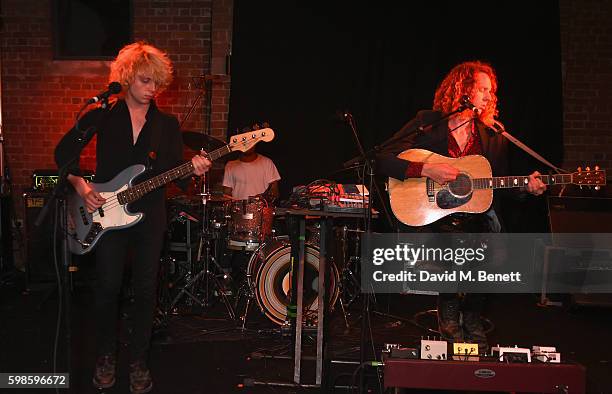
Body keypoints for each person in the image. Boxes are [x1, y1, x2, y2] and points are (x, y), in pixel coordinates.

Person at [55, 42, 211, 393]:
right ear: (126, 78)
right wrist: (81, 187)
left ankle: (139, 361)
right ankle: (105, 356)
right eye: (144, 81)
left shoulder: (166, 124)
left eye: (156, 82)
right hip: (105, 213)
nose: (152, 89)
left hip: (150, 215)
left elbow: (176, 171)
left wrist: (196, 168)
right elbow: (63, 154)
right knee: (107, 288)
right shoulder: (104, 115)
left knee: (145, 290)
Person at [377, 61, 546, 353]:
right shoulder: (427, 122)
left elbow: (496, 186)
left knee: (485, 235)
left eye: (490, 92)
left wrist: (527, 189)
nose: (487, 96)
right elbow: (382, 158)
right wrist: (426, 170)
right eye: (481, 89)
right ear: (462, 89)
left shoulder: (492, 135)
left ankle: (471, 317)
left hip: (476, 221)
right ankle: (451, 315)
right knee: (453, 241)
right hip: (437, 218)